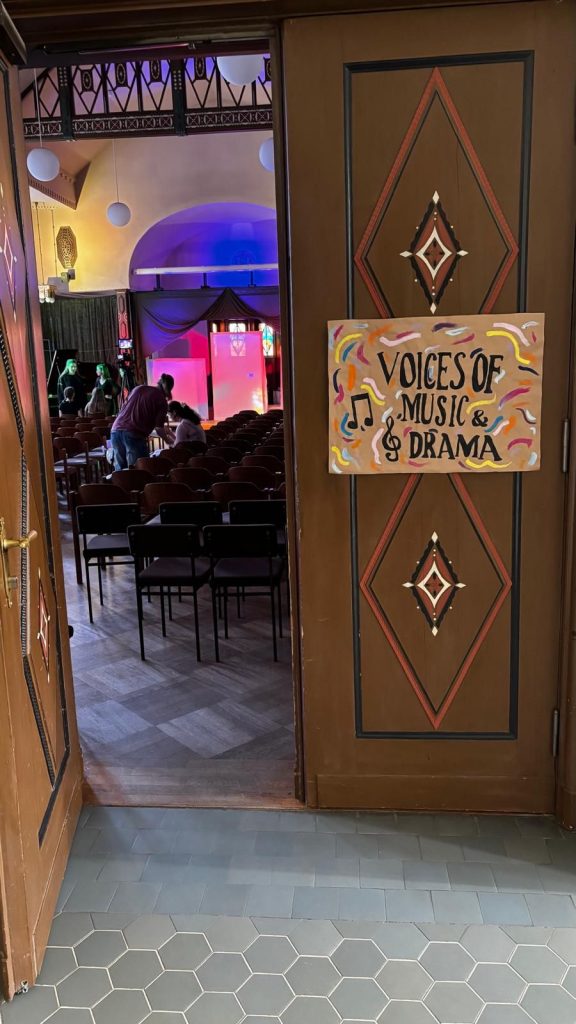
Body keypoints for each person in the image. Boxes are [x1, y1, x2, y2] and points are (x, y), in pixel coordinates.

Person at [110, 373, 174, 469]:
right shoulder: (161, 400)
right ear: (169, 389)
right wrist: (169, 441)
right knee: (140, 470)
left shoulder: (139, 388)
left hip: (115, 431)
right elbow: (159, 428)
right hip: (133, 434)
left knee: (120, 472)